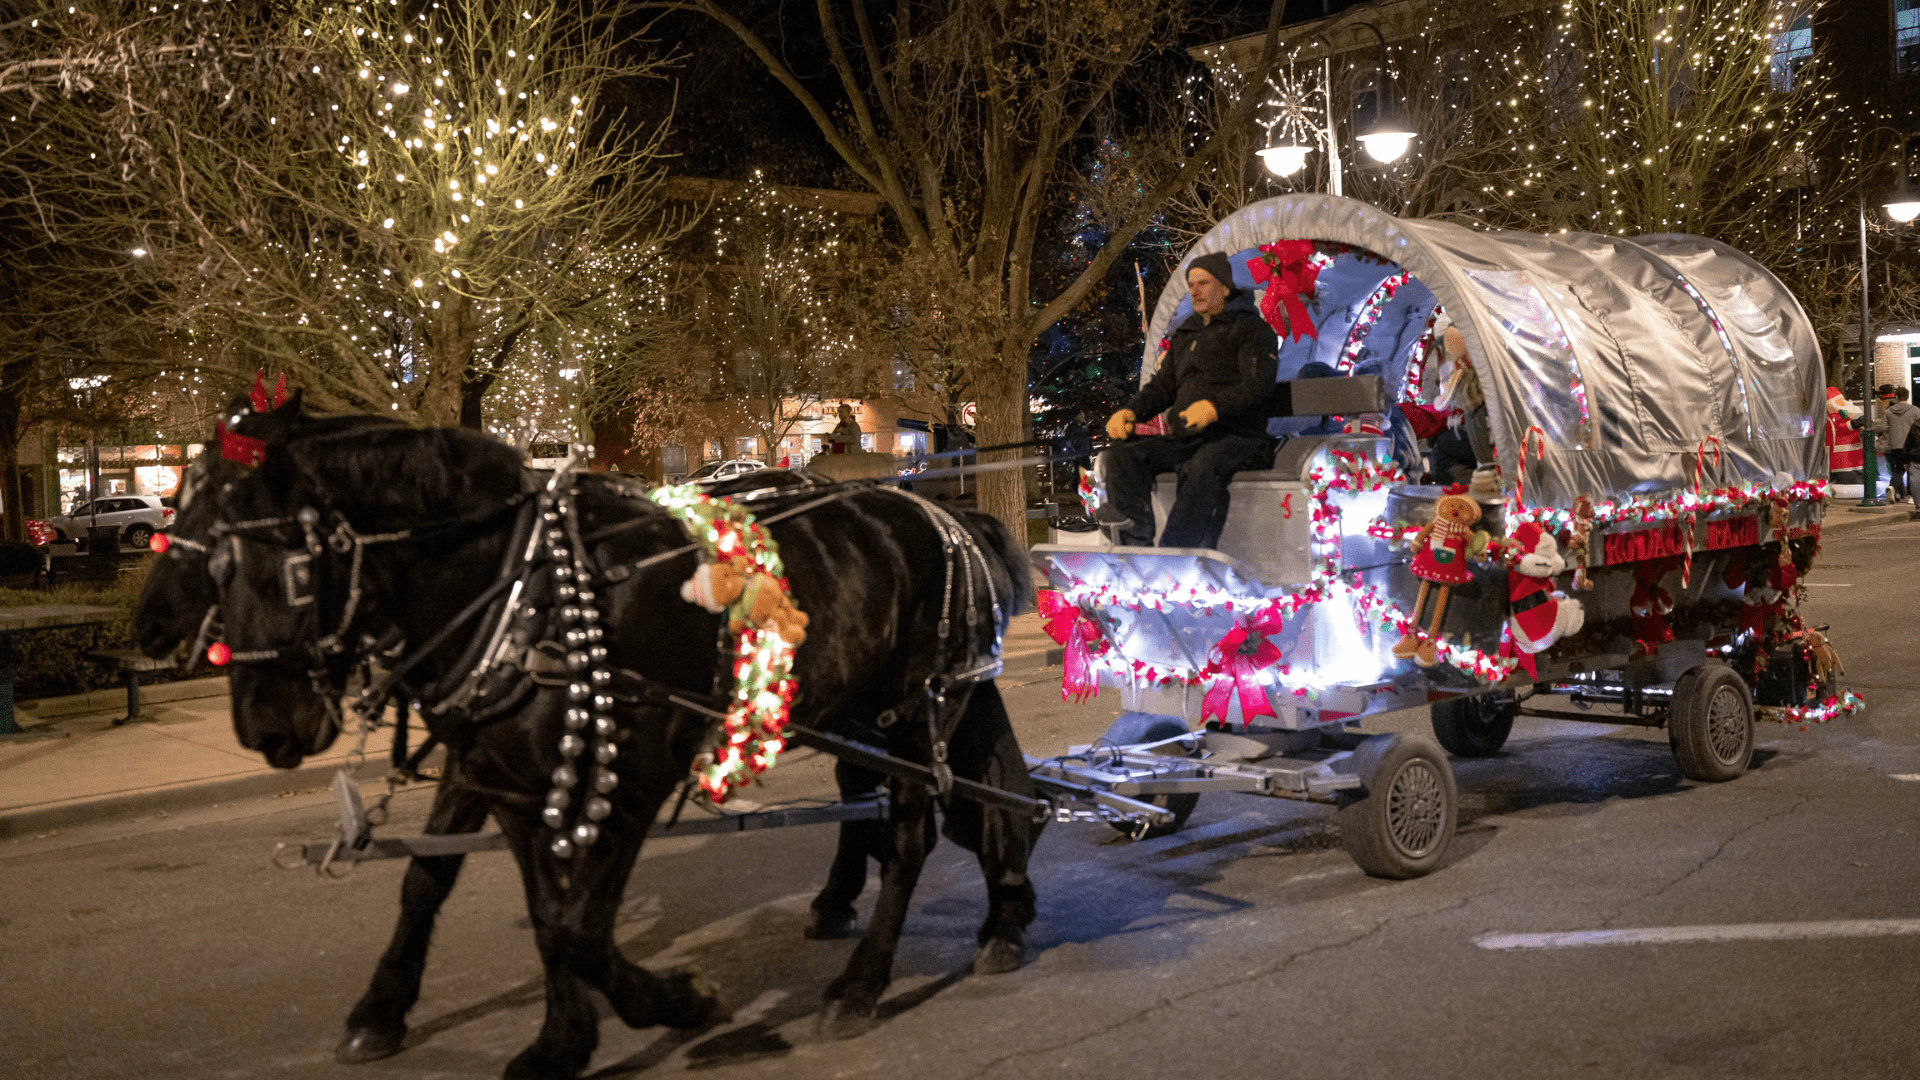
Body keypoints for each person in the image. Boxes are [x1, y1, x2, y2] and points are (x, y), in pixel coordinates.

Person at [1101, 251, 1279, 548]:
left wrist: (1214, 408)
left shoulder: (1252, 330)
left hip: (1238, 437)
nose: (1194, 290)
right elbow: (1163, 387)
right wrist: (1130, 412)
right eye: (1191, 284)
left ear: (1224, 287)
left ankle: (1179, 553)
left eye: (1203, 283)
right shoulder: (1186, 334)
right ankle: (1134, 542)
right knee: (1122, 456)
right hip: (1187, 437)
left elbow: (1257, 385)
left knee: (1201, 467)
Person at [1887, 386, 1919, 502]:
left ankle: (1893, 489)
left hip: (1895, 445)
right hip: (1910, 445)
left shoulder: (1889, 411)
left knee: (1898, 469)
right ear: (1908, 396)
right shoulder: (1915, 410)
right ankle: (1911, 496)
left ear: (1896, 397)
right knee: (1913, 471)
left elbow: (1883, 427)